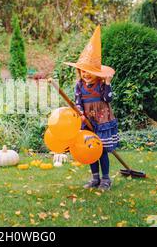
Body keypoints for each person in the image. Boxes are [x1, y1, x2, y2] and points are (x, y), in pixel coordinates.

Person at [64, 26, 119, 191]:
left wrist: (108, 84)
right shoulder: (79, 85)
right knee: (90, 148)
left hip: (102, 120)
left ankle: (106, 179)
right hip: (86, 120)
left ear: (97, 73)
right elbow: (77, 102)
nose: (85, 74)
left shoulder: (102, 84)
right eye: (82, 71)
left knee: (101, 150)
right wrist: (80, 114)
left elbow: (108, 99)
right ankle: (95, 177)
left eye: (89, 71)